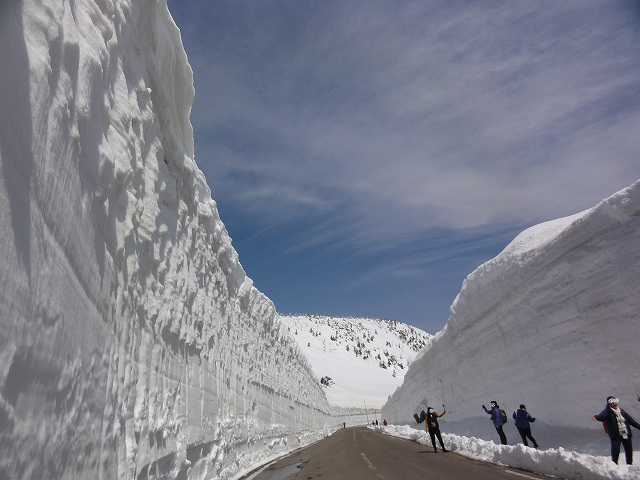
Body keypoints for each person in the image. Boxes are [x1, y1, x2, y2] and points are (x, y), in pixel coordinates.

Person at [593, 396, 640, 465]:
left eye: (615, 402)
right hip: (615, 435)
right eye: (612, 403)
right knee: (615, 449)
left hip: (625, 433)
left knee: (629, 449)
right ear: (609, 404)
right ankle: (614, 464)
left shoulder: (622, 411)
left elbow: (631, 421)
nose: (614, 404)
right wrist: (596, 417)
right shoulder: (607, 411)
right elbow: (602, 417)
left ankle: (629, 464)